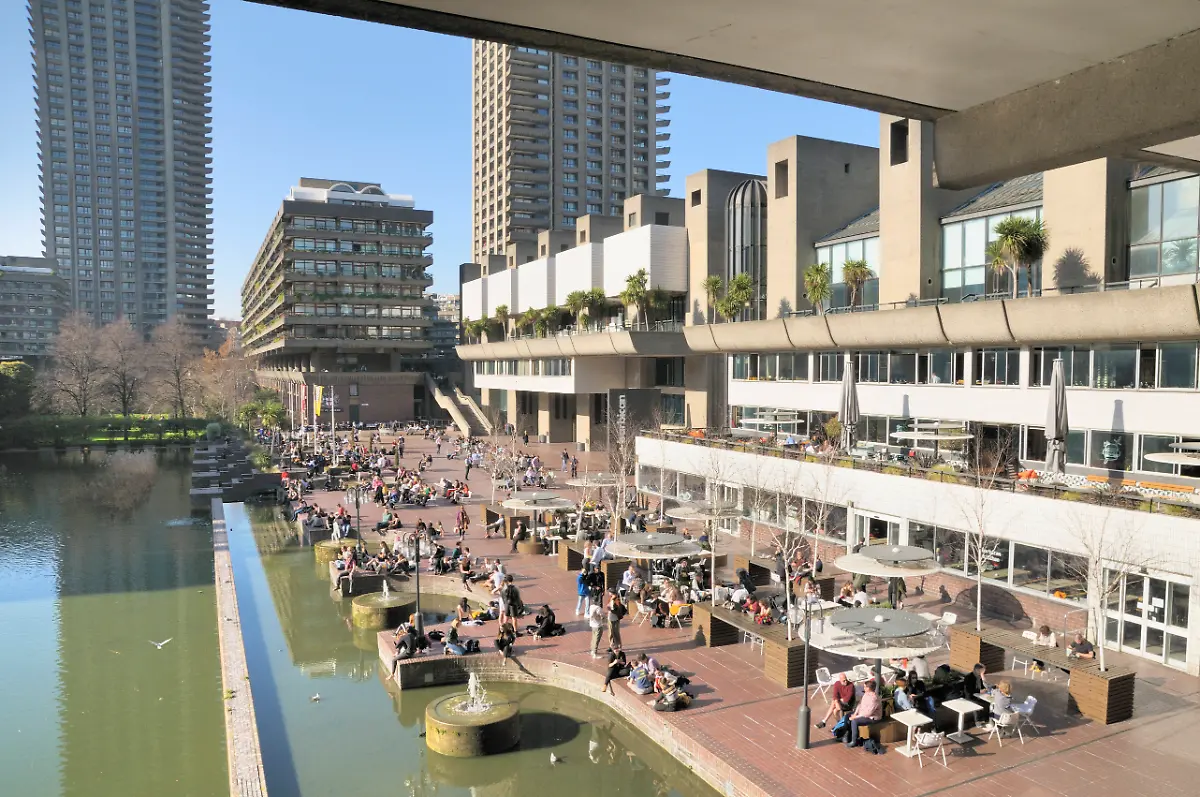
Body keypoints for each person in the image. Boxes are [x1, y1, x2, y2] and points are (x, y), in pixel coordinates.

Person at [845, 680, 882, 747]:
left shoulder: (874, 698)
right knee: (847, 715)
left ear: (868, 688)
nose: (863, 688)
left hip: (872, 717)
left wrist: (855, 717)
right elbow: (860, 704)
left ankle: (854, 741)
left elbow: (868, 713)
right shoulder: (866, 694)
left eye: (864, 687)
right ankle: (847, 735)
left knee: (854, 721)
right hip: (862, 713)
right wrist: (855, 713)